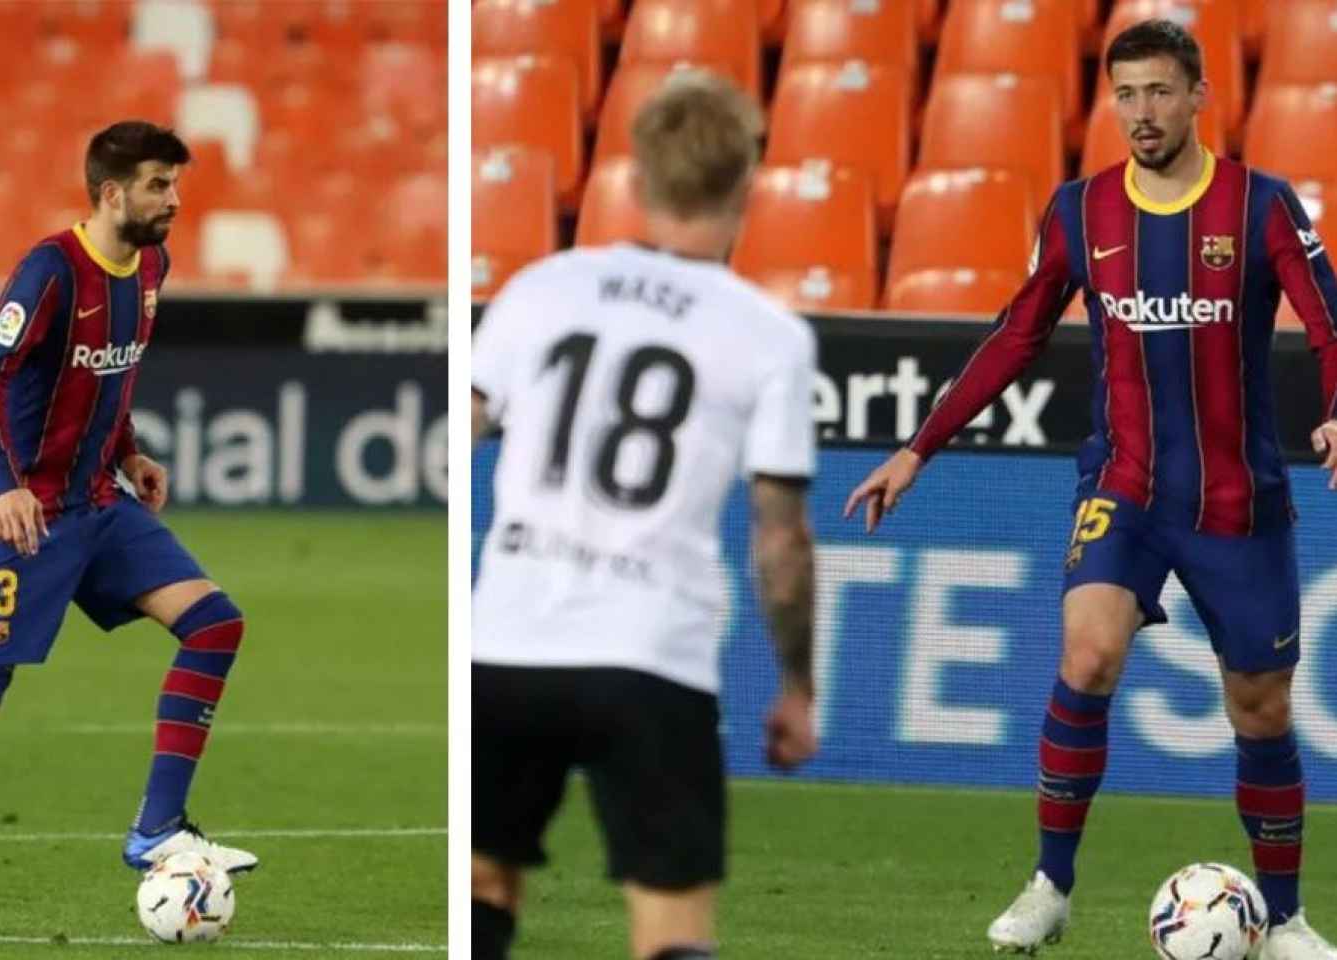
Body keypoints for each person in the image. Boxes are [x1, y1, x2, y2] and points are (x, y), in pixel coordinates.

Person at [845, 20, 1337, 959]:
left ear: (1199, 98)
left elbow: (1331, 328)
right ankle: (1050, 885)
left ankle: (1285, 916)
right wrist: (919, 449)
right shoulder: (1080, 212)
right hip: (1125, 487)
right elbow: (1014, 335)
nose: (1141, 114)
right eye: (1125, 95)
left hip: (1237, 503)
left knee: (1262, 709)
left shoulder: (1262, 208)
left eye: (1158, 93)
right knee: (1088, 654)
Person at [0, 120, 255, 943]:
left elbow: (111, 372)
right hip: (26, 516)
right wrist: (6, 487)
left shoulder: (152, 266)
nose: (175, 200)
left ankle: (156, 828)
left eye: (176, 184)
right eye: (159, 185)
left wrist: (129, 450)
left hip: (100, 502)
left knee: (216, 623)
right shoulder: (49, 270)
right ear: (113, 193)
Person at [469, 71, 819, 960]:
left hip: (509, 643)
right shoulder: (768, 335)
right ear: (748, 181)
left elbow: (456, 436)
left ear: (636, 174)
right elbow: (779, 537)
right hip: (651, 654)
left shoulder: (543, 288)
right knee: (670, 921)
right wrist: (797, 684)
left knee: (482, 887)